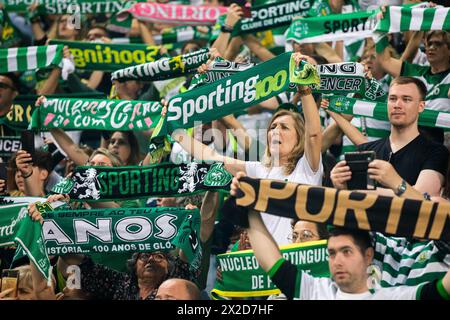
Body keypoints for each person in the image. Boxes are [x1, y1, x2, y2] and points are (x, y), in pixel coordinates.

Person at [169, 53, 323, 244]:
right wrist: (174, 128)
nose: (275, 131)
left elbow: (314, 134)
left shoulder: (308, 168)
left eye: (284, 127)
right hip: (267, 263)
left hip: (299, 258)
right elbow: (211, 155)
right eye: (272, 127)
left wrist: (305, 89)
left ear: (300, 138)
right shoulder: (260, 169)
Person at [230, 172, 450, 299]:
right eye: (332, 253)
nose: (338, 261)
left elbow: (443, 289)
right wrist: (248, 204)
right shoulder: (319, 291)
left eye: (347, 252)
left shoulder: (393, 296)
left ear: (368, 256)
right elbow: (271, 261)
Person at [331, 76, 448, 199]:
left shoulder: (436, 151)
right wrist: (341, 186)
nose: (397, 105)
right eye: (392, 99)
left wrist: (394, 182)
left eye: (406, 99)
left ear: (421, 106)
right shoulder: (364, 150)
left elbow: (425, 201)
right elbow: (352, 201)